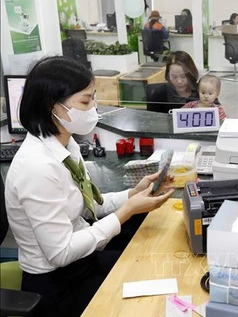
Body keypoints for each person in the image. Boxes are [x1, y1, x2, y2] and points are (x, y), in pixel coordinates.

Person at [4, 56, 175, 316]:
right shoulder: (36, 167)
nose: (94, 108)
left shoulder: (65, 146)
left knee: (151, 267)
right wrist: (126, 211)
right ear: (53, 106)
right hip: (57, 286)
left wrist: (133, 193)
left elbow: (87, 206)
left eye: (93, 98)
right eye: (85, 101)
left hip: (82, 263)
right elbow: (60, 253)